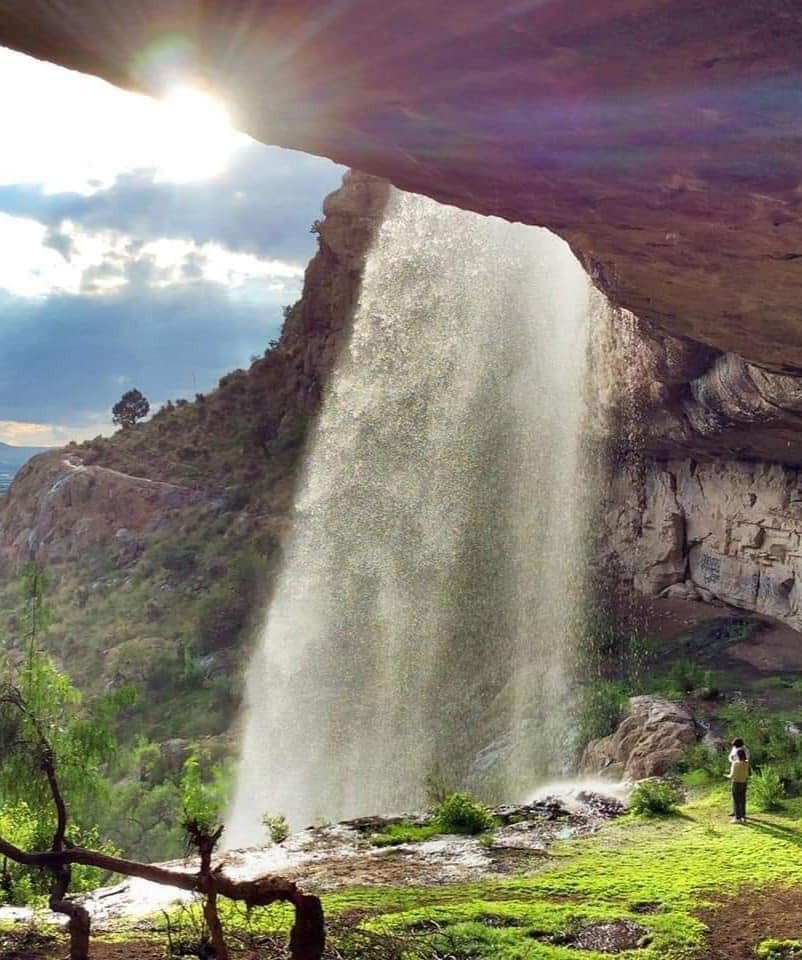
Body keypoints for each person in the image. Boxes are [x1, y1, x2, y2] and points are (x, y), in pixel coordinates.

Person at [727, 747, 749, 823]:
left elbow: (732, 775)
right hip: (744, 782)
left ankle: (737, 818)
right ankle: (743, 817)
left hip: (736, 783)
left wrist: (727, 776)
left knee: (736, 801)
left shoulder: (735, 764)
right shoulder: (746, 763)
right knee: (743, 800)